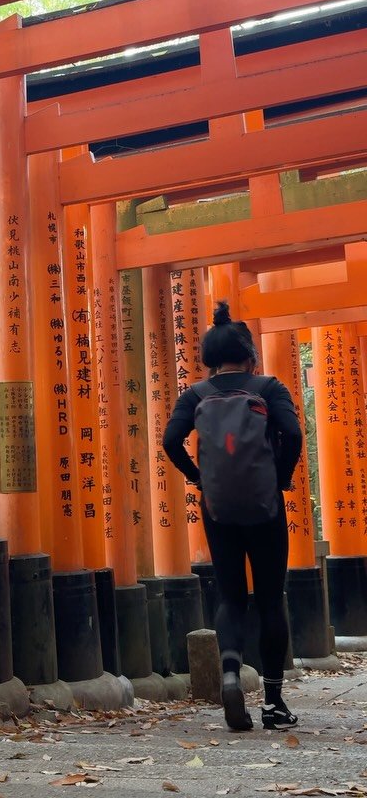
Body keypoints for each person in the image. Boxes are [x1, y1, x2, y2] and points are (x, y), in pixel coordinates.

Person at [163, 301, 303, 732]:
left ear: (211, 358)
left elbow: (170, 441)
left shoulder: (196, 395)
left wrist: (198, 478)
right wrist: (280, 478)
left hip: (218, 508)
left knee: (230, 597)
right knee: (270, 598)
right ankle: (274, 703)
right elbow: (293, 433)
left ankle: (229, 673)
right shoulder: (269, 387)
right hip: (264, 506)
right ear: (249, 354)